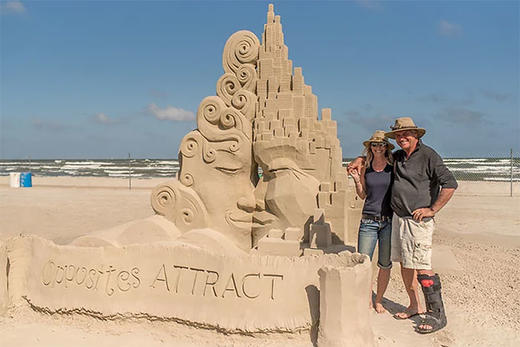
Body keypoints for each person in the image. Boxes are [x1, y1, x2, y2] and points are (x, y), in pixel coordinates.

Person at [348, 117, 457, 334]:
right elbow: (375, 155)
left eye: (406, 134)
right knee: (406, 264)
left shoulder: (428, 156)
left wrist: (432, 209)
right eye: (398, 135)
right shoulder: (397, 157)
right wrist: (360, 159)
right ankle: (414, 305)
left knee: (422, 264)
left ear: (416, 135)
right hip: (397, 219)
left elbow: (450, 183)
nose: (401, 138)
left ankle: (437, 314)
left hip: (418, 221)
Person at [348, 130, 394, 313]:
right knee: (364, 262)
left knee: (384, 264)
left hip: (388, 222)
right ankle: (366, 296)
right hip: (368, 221)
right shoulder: (365, 167)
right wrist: (357, 182)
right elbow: (363, 195)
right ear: (370, 147)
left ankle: (379, 299)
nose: (378, 148)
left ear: (386, 147)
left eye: (381, 144)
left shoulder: (393, 167)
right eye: (374, 145)